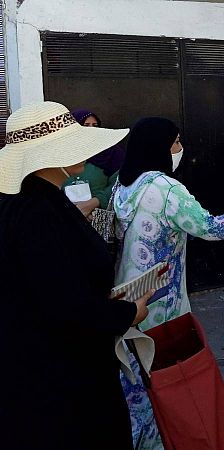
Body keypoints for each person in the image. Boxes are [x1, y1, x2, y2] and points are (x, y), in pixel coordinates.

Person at [113, 117, 224, 449]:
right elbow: (211, 228)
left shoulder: (124, 186)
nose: (180, 148)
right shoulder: (167, 189)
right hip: (161, 309)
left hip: (127, 300)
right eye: (175, 142)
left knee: (136, 386)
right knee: (169, 386)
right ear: (159, 146)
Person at [0, 101, 151, 449]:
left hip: (35, 371)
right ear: (47, 157)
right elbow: (67, 307)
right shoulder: (38, 214)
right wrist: (129, 312)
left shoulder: (31, 203)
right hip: (61, 384)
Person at [62, 109, 126, 217]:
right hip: (65, 215)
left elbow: (120, 183)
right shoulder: (61, 152)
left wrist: (96, 201)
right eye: (86, 125)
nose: (91, 129)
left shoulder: (111, 152)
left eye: (95, 125)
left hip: (98, 216)